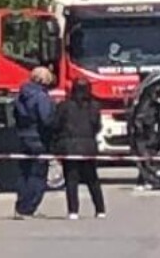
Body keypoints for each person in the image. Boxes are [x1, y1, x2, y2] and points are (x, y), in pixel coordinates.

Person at [53, 78, 106, 220]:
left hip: (69, 146)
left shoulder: (64, 106)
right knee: (92, 179)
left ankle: (73, 211)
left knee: (71, 179)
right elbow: (97, 126)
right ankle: (100, 209)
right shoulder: (94, 106)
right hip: (89, 146)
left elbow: (56, 124)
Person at [13, 66, 56, 219]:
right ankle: (29, 207)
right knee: (37, 175)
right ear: (44, 80)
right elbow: (46, 119)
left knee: (24, 173)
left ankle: (20, 206)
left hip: (22, 137)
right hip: (38, 139)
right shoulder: (41, 97)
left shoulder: (20, 95)